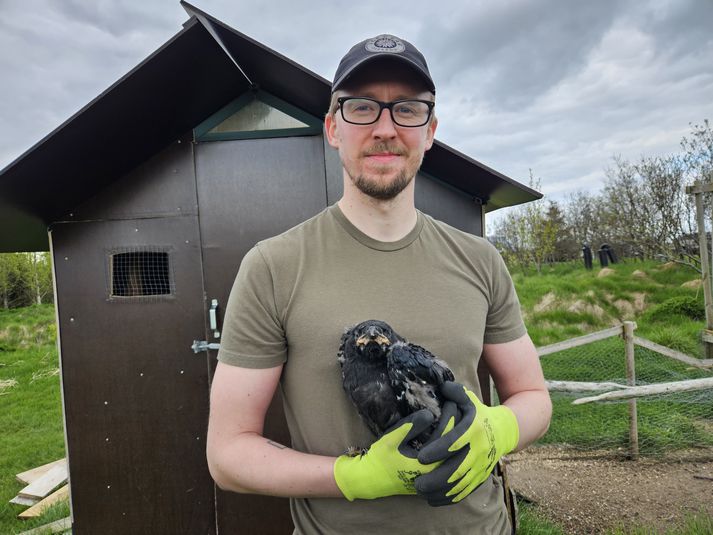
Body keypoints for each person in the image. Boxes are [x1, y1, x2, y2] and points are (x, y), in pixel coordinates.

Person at [206, 33, 551, 534]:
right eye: (361, 108)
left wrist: (498, 430)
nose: (385, 129)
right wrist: (355, 477)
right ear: (331, 128)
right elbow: (228, 454)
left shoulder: (481, 260)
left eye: (407, 109)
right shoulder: (273, 266)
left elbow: (535, 397)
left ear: (430, 131)